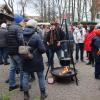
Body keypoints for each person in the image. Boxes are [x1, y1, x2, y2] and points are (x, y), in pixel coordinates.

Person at [21, 19, 47, 100]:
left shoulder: (21, 35)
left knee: (25, 76)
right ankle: (43, 94)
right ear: (34, 26)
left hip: (25, 59)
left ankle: (26, 95)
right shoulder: (36, 36)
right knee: (41, 76)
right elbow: (43, 50)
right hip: (37, 60)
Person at [7, 15, 24, 91]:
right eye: (22, 21)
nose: (23, 22)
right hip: (17, 51)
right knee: (22, 68)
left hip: (10, 51)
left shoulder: (10, 27)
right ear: (19, 21)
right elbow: (21, 39)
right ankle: (23, 86)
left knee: (12, 68)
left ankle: (12, 85)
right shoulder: (18, 28)